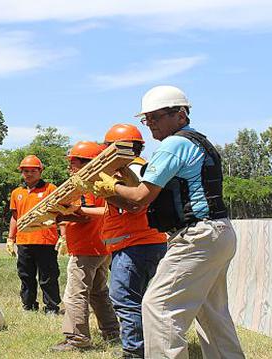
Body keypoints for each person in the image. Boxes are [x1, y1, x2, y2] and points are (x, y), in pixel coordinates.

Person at [93, 86, 245, 358]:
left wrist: (108, 187)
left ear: (181, 114)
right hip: (219, 233)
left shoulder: (173, 145)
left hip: (196, 237)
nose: (150, 124)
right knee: (212, 313)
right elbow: (142, 194)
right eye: (146, 119)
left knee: (157, 307)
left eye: (156, 117)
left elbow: (139, 198)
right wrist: (119, 185)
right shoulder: (200, 142)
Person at [100, 124, 167, 359]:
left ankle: (134, 352)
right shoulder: (130, 171)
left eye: (107, 149)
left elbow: (137, 205)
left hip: (136, 245)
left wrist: (107, 192)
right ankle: (148, 349)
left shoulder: (135, 171)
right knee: (143, 301)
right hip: (139, 244)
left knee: (125, 299)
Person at [51, 141, 120, 351]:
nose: (70, 167)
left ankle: (77, 338)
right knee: (99, 292)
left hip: (86, 248)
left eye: (73, 162)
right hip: (102, 246)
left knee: (75, 294)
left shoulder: (85, 185)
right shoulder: (104, 181)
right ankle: (112, 332)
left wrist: (61, 213)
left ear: (85, 163)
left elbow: (84, 215)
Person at [7, 155, 61, 314]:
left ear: (40, 171)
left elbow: (60, 214)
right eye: (25, 171)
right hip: (24, 241)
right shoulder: (17, 192)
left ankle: (51, 307)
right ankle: (28, 305)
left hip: (46, 241)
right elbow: (15, 217)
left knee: (48, 276)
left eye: (33, 171)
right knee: (25, 275)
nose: (29, 174)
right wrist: (11, 238)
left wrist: (63, 236)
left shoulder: (51, 189)